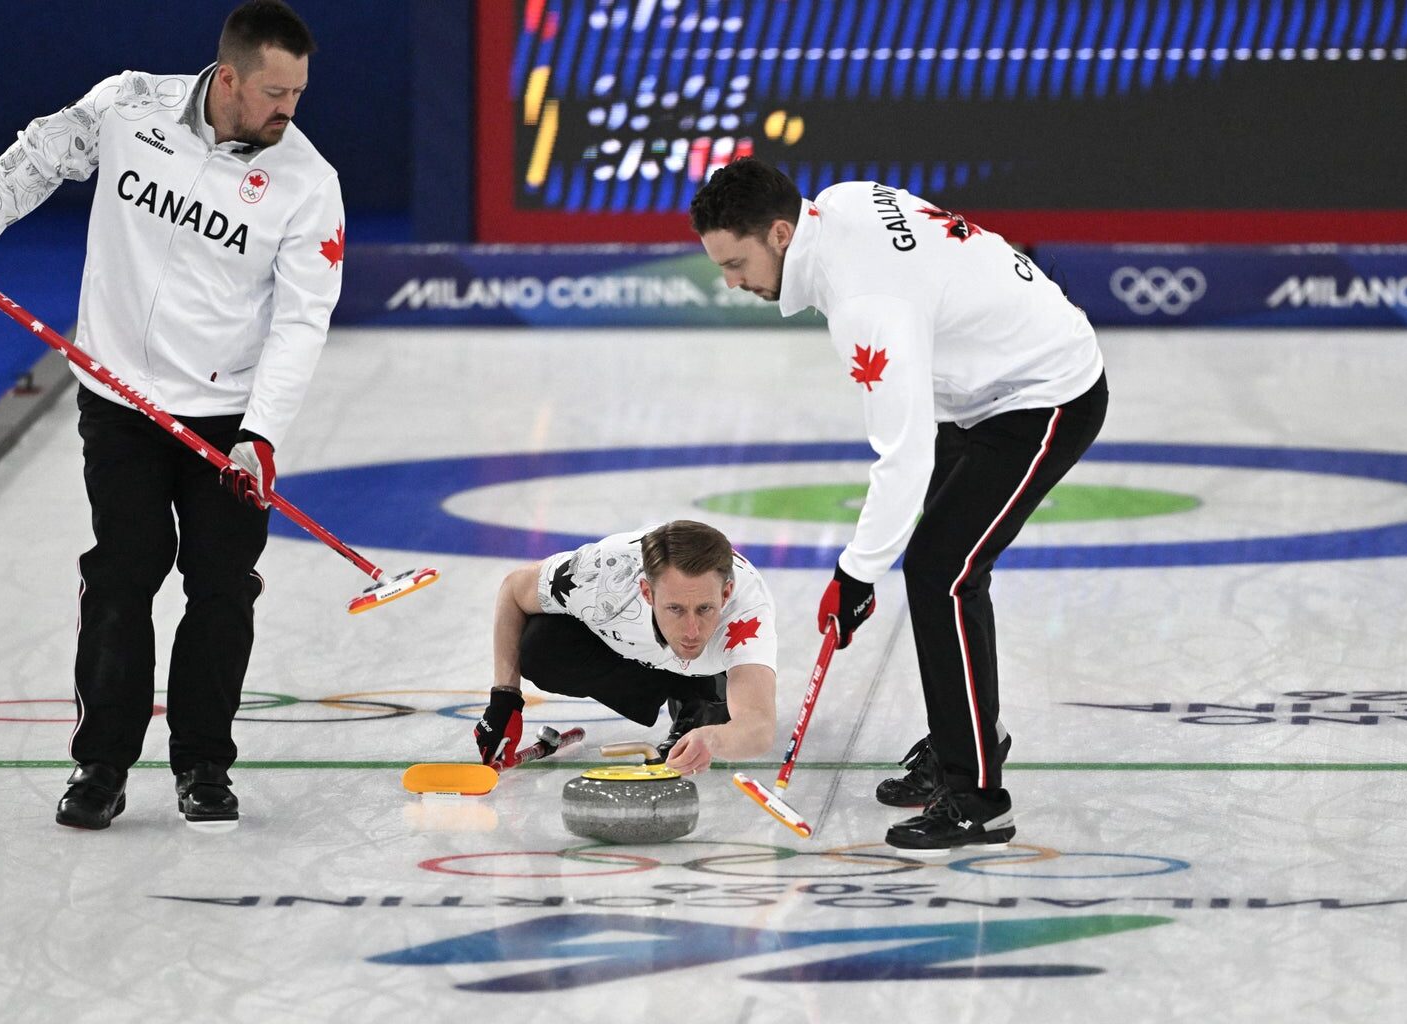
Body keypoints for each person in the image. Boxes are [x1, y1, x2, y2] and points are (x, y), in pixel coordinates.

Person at [0, 1, 344, 831]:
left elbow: (303, 320)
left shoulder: (306, 182)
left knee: (221, 587)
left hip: (226, 420)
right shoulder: (130, 106)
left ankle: (203, 766)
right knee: (123, 572)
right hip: (118, 400)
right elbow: (43, 152)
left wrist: (261, 436)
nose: (286, 111)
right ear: (226, 77)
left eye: (296, 94)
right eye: (272, 92)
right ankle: (100, 766)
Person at [689, 157, 1108, 852]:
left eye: (736, 263)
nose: (731, 283)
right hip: (980, 390)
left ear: (782, 233)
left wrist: (855, 576)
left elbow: (904, 457)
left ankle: (978, 798)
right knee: (942, 566)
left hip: (1044, 394)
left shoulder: (864, 308)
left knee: (942, 571)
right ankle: (968, 736)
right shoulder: (840, 203)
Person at [474, 520, 777, 776]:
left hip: (709, 668)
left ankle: (702, 695)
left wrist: (713, 739)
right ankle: (676, 687)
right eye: (675, 609)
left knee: (726, 695)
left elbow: (759, 726)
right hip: (634, 646)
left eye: (705, 609)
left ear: (726, 594)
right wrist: (505, 699)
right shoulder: (598, 579)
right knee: (541, 647)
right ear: (646, 591)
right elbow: (513, 590)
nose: (691, 631)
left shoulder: (747, 613)